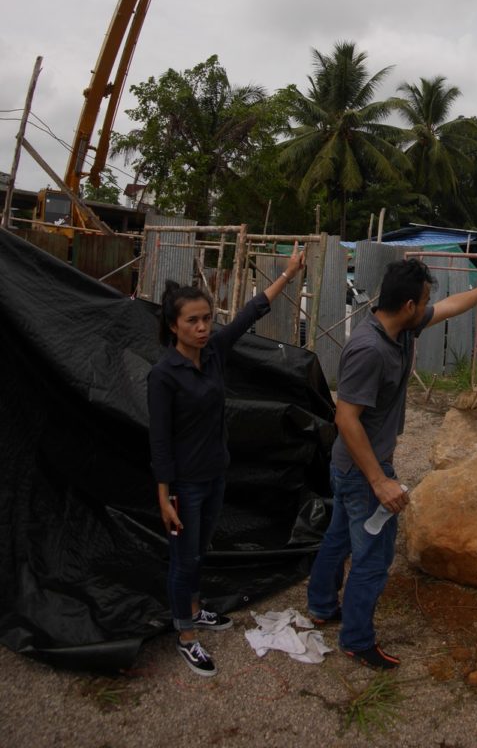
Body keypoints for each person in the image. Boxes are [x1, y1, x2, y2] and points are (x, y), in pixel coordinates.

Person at [307, 255, 477, 670]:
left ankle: (321, 605)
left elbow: (452, 305)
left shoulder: (400, 324)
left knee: (339, 538)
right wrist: (380, 481)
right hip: (362, 469)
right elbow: (345, 418)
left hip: (351, 468)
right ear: (407, 306)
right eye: (423, 302)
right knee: (374, 556)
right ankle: (357, 639)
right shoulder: (369, 349)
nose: (427, 308)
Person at [148, 243, 305, 677]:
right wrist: (164, 495)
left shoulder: (214, 352)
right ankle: (185, 636)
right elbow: (159, 440)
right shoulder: (164, 375)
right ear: (173, 326)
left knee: (200, 550)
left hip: (215, 474)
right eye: (192, 321)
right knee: (184, 559)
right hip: (184, 484)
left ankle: (196, 609)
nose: (202, 327)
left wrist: (289, 273)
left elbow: (251, 312)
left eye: (205, 319)